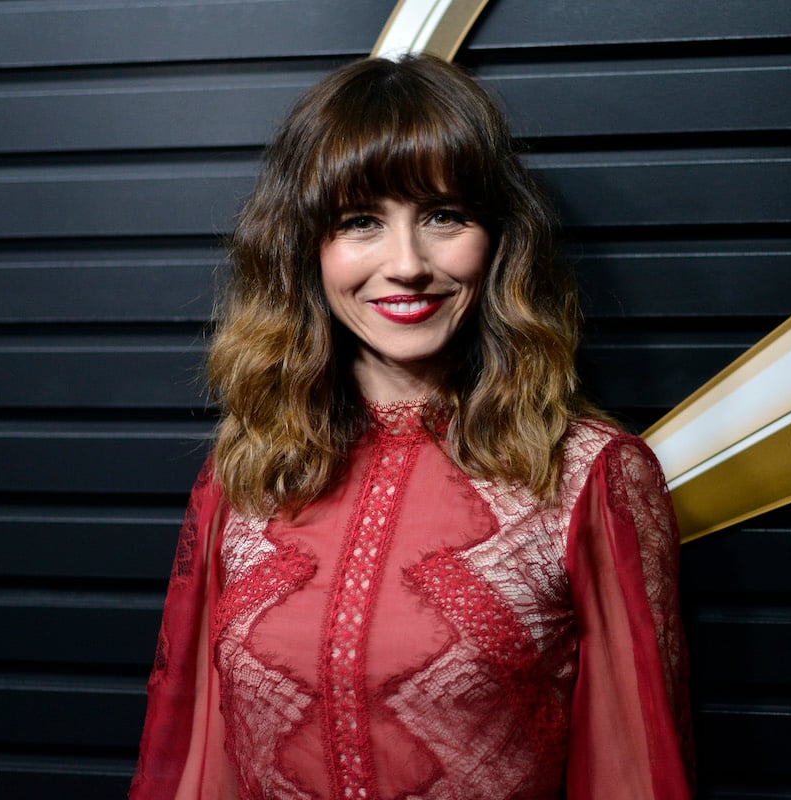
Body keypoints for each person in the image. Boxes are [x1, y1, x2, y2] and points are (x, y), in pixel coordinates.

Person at [130, 54, 693, 800]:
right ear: (306, 250)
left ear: (497, 241)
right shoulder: (248, 473)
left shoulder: (590, 473)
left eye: (443, 216)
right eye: (359, 222)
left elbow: (634, 772)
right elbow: (197, 759)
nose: (406, 264)